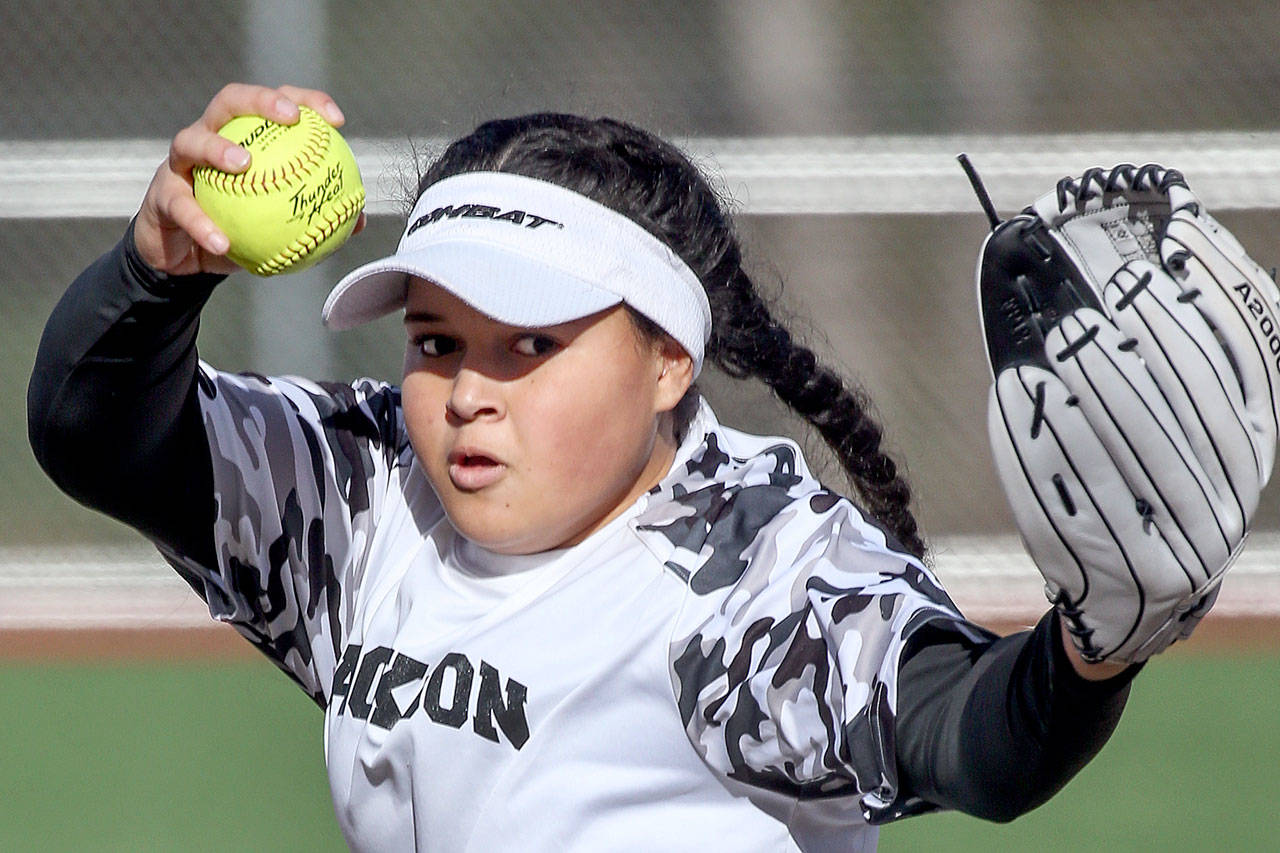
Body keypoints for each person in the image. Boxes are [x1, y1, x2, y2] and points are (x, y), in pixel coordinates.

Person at [30, 84, 1147, 851]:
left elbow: (969, 735)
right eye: (435, 342)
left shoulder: (748, 568)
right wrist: (153, 272)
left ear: (668, 361)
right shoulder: (380, 502)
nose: (469, 390)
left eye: (529, 343)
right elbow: (99, 432)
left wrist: (1094, 646)